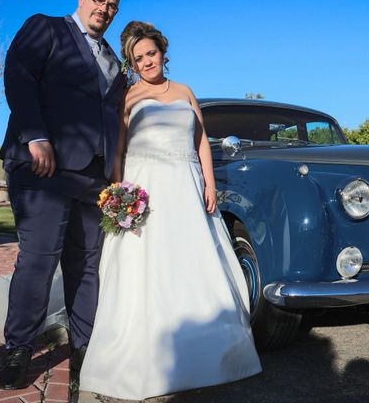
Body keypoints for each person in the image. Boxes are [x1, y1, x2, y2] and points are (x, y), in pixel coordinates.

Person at [78, 21, 262, 400]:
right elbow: (119, 149)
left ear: (163, 52)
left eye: (151, 53)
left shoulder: (184, 91)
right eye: (138, 57)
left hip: (188, 186)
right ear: (131, 63)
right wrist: (117, 192)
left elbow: (201, 143)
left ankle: (211, 356)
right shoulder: (128, 97)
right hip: (146, 187)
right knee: (148, 264)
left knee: (191, 261)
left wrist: (210, 184)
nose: (147, 61)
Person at [0, 0, 125, 392]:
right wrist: (37, 136)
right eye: (97, 0)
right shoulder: (46, 27)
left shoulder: (114, 61)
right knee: (39, 258)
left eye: (111, 5)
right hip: (43, 166)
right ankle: (18, 347)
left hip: (93, 178)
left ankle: (85, 346)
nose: (103, 9)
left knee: (86, 265)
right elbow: (18, 77)